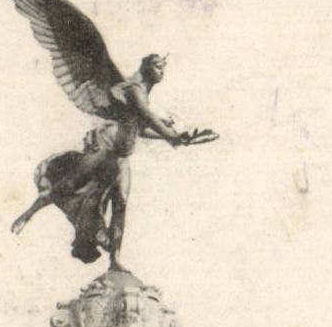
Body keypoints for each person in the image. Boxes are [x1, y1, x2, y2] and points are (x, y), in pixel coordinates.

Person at [11, 56, 195, 268]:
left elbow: (140, 128)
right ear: (146, 67)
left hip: (122, 157)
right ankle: (28, 214)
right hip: (108, 151)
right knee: (67, 186)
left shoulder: (143, 93)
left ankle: (115, 260)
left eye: (163, 68)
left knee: (121, 204)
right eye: (158, 66)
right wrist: (172, 136)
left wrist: (174, 137)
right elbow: (147, 116)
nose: (162, 71)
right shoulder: (134, 90)